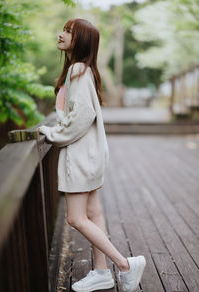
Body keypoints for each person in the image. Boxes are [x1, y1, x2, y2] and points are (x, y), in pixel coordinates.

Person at [37, 18, 146, 292]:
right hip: (92, 153)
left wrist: (52, 134)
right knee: (92, 212)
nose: (60, 34)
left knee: (75, 217)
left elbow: (82, 116)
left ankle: (123, 265)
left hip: (82, 155)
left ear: (81, 40)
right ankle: (101, 272)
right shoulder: (83, 70)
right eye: (63, 29)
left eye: (68, 32)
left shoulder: (77, 70)